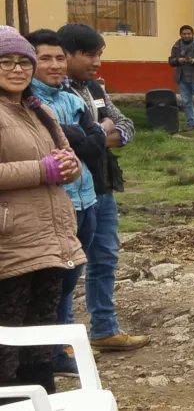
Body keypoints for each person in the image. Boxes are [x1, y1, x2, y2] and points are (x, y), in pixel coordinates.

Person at [0, 25, 84, 398]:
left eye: (23, 62)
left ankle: (40, 398)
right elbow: (40, 166)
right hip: (10, 242)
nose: (17, 70)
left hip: (51, 240)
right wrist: (41, 170)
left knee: (41, 334)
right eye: (6, 62)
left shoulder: (39, 110)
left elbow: (67, 156)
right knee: (9, 335)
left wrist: (70, 165)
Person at [55, 23, 146, 356]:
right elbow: (63, 142)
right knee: (67, 266)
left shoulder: (94, 88)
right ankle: (62, 343)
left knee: (104, 258)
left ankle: (104, 329)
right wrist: (97, 134)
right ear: (65, 54)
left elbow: (126, 126)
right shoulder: (51, 92)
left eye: (99, 55)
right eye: (89, 54)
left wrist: (93, 136)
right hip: (69, 192)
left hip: (102, 185)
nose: (96, 62)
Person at [25, 29, 106, 374]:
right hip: (57, 205)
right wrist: (85, 135)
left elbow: (96, 142)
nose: (55, 65)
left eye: (59, 58)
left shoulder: (73, 98)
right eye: (45, 58)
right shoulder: (29, 103)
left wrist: (85, 135)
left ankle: (57, 350)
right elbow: (75, 143)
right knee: (53, 284)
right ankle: (51, 354)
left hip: (86, 198)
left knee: (71, 279)